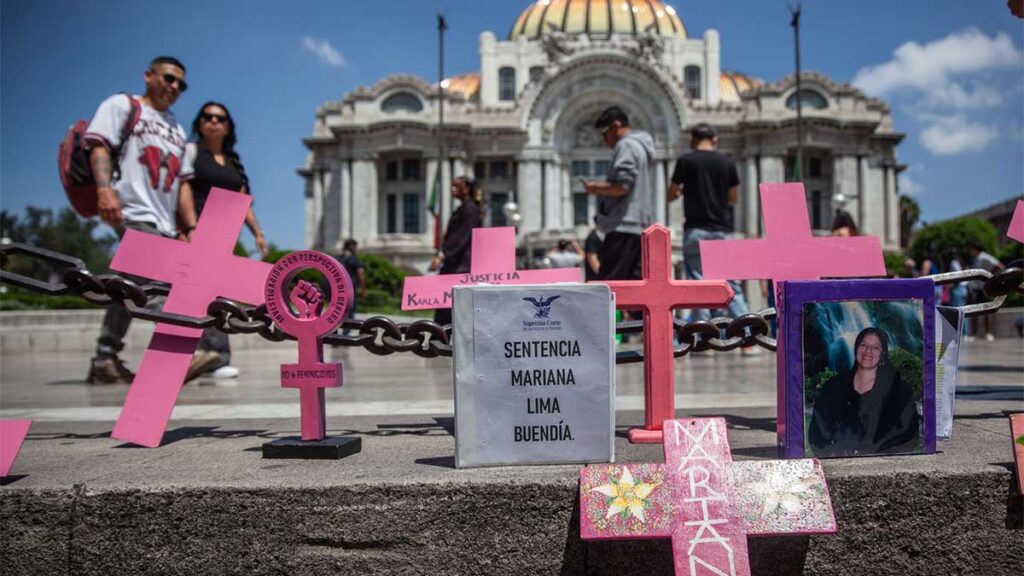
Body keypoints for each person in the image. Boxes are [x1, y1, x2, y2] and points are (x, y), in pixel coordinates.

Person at [84, 56, 196, 384]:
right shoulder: (122, 105)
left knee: (126, 287)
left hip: (164, 221)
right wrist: (104, 189)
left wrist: (188, 227)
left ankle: (105, 358)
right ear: (148, 75)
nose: (174, 87)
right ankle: (192, 341)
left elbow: (183, 183)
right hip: (133, 210)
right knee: (157, 286)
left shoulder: (176, 128)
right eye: (168, 78)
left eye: (180, 84)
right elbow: (99, 146)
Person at [183, 101, 268, 380]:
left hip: (226, 232)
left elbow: (243, 199)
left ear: (228, 126)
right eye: (207, 117)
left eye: (220, 118)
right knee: (200, 293)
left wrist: (257, 233)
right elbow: (182, 189)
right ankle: (209, 355)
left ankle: (219, 357)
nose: (214, 122)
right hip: (199, 228)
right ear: (199, 122)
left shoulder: (234, 160)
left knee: (219, 294)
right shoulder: (192, 152)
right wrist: (190, 226)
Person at [669, 122, 757, 354]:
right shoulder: (727, 162)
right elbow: (733, 198)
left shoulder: (685, 161)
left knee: (699, 284)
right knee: (732, 284)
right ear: (715, 139)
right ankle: (749, 339)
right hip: (722, 230)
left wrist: (681, 192)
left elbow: (672, 193)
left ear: (692, 140)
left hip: (696, 230)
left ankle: (704, 340)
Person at [809, 327, 919, 456]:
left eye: (876, 347)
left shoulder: (898, 391)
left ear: (883, 353)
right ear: (856, 348)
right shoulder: (833, 387)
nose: (868, 351)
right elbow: (819, 429)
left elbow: (906, 433)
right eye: (863, 345)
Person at [583, 106, 655, 281]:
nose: (604, 139)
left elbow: (622, 186)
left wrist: (595, 188)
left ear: (616, 125)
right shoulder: (641, 147)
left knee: (607, 287)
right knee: (634, 289)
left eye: (605, 133)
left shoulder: (626, 145)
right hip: (639, 227)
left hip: (623, 225)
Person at [429, 176, 483, 326]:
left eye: (457, 186)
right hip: (456, 264)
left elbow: (460, 237)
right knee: (446, 309)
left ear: (466, 189)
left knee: (449, 309)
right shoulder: (464, 208)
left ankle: (441, 340)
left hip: (461, 267)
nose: (452, 189)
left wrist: (442, 255)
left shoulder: (470, 209)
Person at [967, 243, 1005, 342]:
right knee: (974, 311)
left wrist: (994, 278)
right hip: (975, 288)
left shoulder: (984, 257)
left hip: (984, 287)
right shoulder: (976, 259)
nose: (970, 252)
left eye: (971, 250)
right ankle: (973, 334)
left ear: (975, 249)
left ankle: (988, 332)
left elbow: (999, 265)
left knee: (987, 310)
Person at [337, 238, 368, 334]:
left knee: (336, 313)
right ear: (351, 247)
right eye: (355, 247)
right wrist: (363, 290)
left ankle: (335, 337)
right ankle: (344, 336)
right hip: (350, 291)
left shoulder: (337, 258)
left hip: (336, 291)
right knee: (349, 314)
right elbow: (360, 274)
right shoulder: (354, 259)